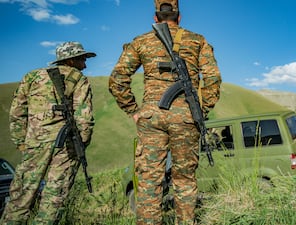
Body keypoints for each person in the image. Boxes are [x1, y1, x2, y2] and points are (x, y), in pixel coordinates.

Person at [109, 0, 222, 224]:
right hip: (186, 118)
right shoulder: (197, 41)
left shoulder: (140, 42)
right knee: (185, 180)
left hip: (151, 118)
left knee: (150, 180)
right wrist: (202, 110)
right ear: (179, 17)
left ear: (155, 17)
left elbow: (117, 79)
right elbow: (212, 79)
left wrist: (134, 110)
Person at [1, 41, 96, 225]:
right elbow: (84, 119)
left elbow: (17, 112)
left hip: (34, 144)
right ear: (70, 61)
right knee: (53, 200)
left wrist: (21, 142)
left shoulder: (31, 77)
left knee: (20, 198)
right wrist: (80, 146)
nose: (84, 65)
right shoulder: (79, 79)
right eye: (82, 59)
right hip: (66, 148)